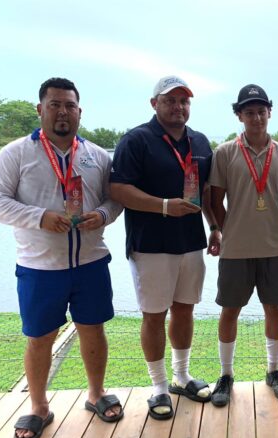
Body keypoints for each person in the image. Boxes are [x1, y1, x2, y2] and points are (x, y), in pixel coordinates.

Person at [0, 77, 124, 438]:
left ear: (80, 111)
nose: (63, 112)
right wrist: (39, 216)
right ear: (40, 109)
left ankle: (96, 394)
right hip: (39, 266)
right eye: (55, 104)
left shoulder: (96, 154)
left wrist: (103, 216)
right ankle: (39, 407)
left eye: (70, 106)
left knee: (94, 329)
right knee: (40, 337)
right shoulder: (16, 153)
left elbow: (115, 199)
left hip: (91, 261)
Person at [110, 75, 216, 420]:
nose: (178, 107)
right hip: (151, 244)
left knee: (185, 309)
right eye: (170, 100)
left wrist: (215, 227)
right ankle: (157, 387)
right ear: (154, 104)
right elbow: (119, 190)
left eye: (184, 101)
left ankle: (181, 377)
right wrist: (164, 205)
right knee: (154, 315)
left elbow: (210, 192)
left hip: (191, 242)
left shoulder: (199, 142)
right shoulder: (136, 140)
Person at [208, 84, 278, 406]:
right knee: (230, 311)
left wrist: (271, 216)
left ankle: (273, 371)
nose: (256, 117)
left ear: (269, 112)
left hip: (274, 246)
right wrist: (223, 229)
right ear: (239, 115)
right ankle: (226, 375)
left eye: (261, 111)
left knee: (274, 308)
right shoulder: (225, 152)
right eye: (249, 112)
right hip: (235, 249)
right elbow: (215, 200)